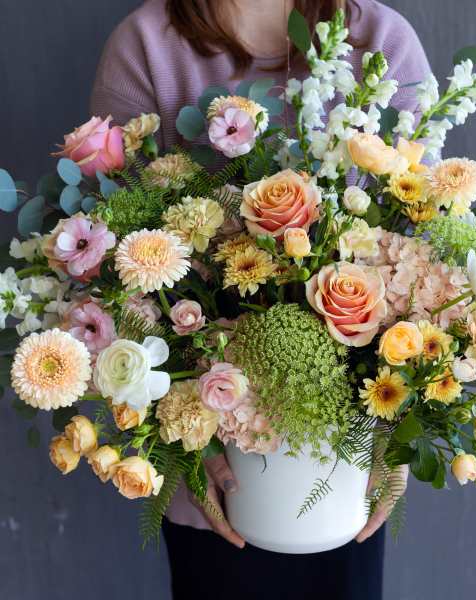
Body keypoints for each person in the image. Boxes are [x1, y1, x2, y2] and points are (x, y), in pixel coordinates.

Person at [91, 1, 430, 598]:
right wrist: (188, 441)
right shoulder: (146, 47)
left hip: (347, 472)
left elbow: (427, 252)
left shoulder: (381, 42)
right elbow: (110, 266)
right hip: (219, 488)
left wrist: (398, 429)